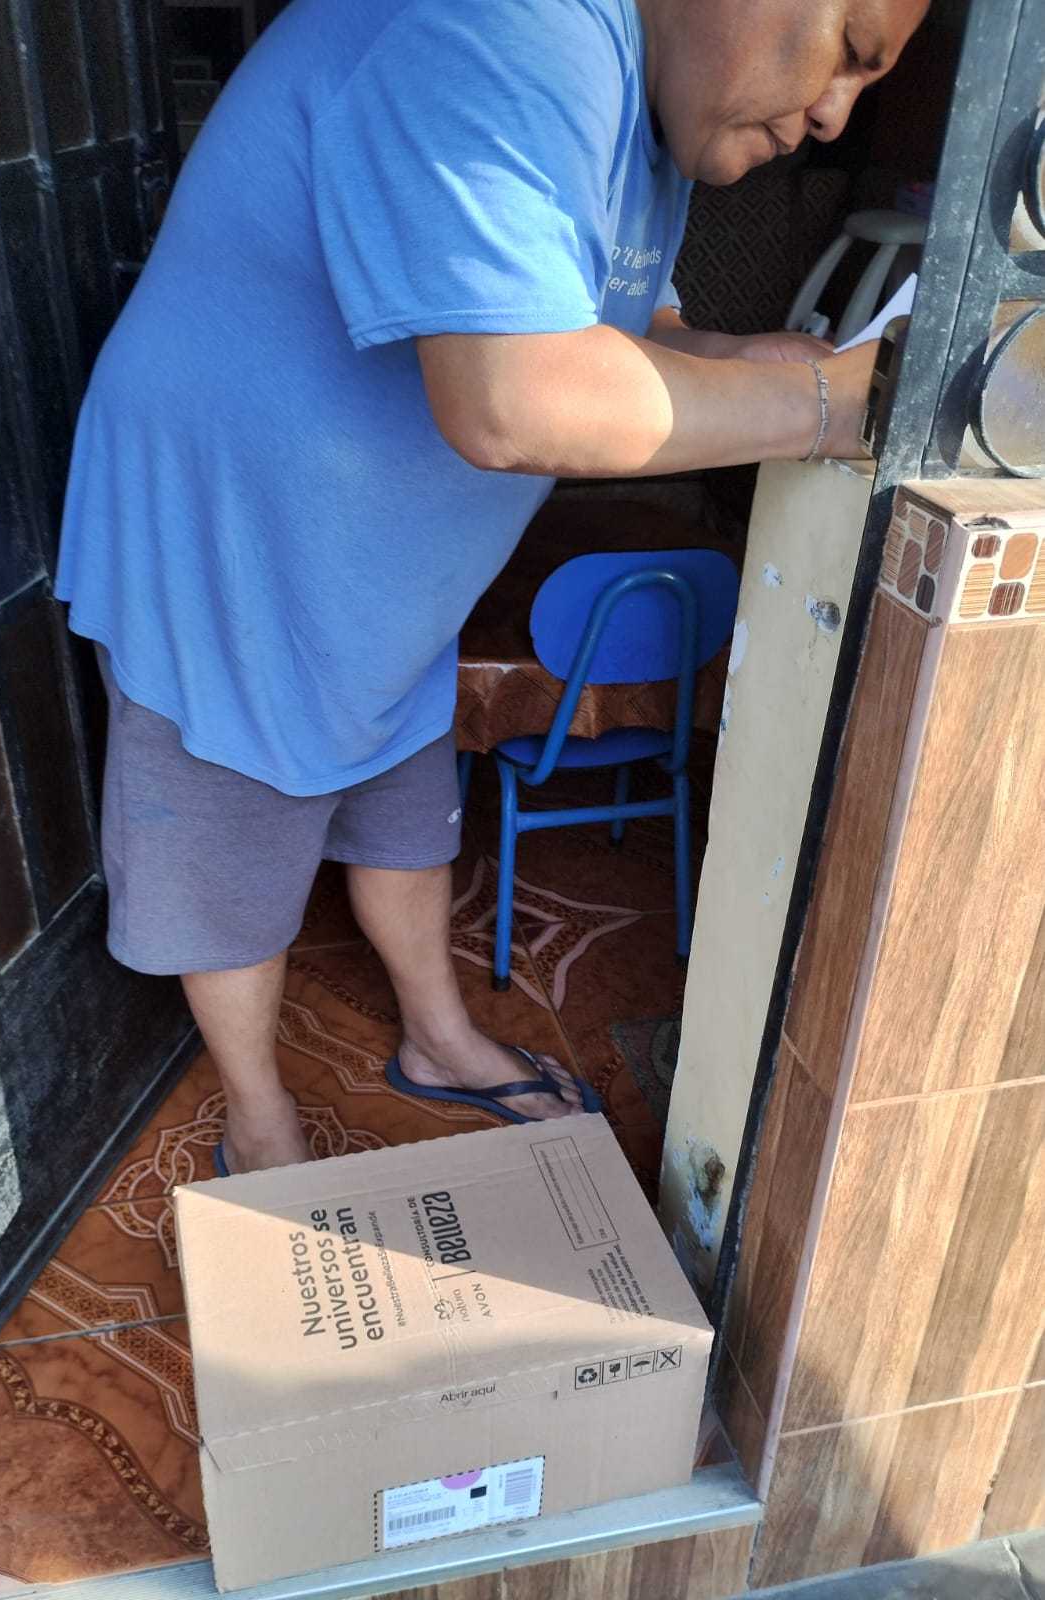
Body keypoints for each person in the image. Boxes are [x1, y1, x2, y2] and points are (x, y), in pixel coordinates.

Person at [56, 0, 929, 1173]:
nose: (833, 115)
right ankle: (259, 1112)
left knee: (404, 806)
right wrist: (829, 407)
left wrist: (771, 364)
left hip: (385, 560)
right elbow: (515, 396)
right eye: (849, 54)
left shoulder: (647, 113)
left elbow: (629, 331)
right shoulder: (500, 22)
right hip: (234, 538)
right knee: (233, 841)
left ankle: (439, 1037)